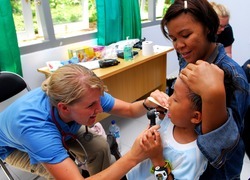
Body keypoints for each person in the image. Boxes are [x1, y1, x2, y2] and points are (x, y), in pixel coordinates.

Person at [0, 64, 166, 179]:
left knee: (100, 147)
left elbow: (130, 110)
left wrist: (148, 102)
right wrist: (133, 157)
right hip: (12, 148)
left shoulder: (88, 92)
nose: (100, 108)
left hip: (59, 126)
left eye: (99, 101)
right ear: (64, 108)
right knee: (55, 174)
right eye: (91, 105)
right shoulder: (35, 128)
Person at [159, 0, 249, 179]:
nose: (179, 45)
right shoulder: (188, 56)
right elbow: (188, 101)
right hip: (189, 159)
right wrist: (172, 106)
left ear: (208, 27)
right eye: (174, 38)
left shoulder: (232, 76)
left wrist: (212, 95)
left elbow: (228, 147)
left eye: (185, 35)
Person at [128, 75, 210, 179]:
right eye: (171, 94)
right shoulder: (170, 119)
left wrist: (157, 158)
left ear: (195, 116)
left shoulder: (193, 157)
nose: (169, 100)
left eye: (176, 100)